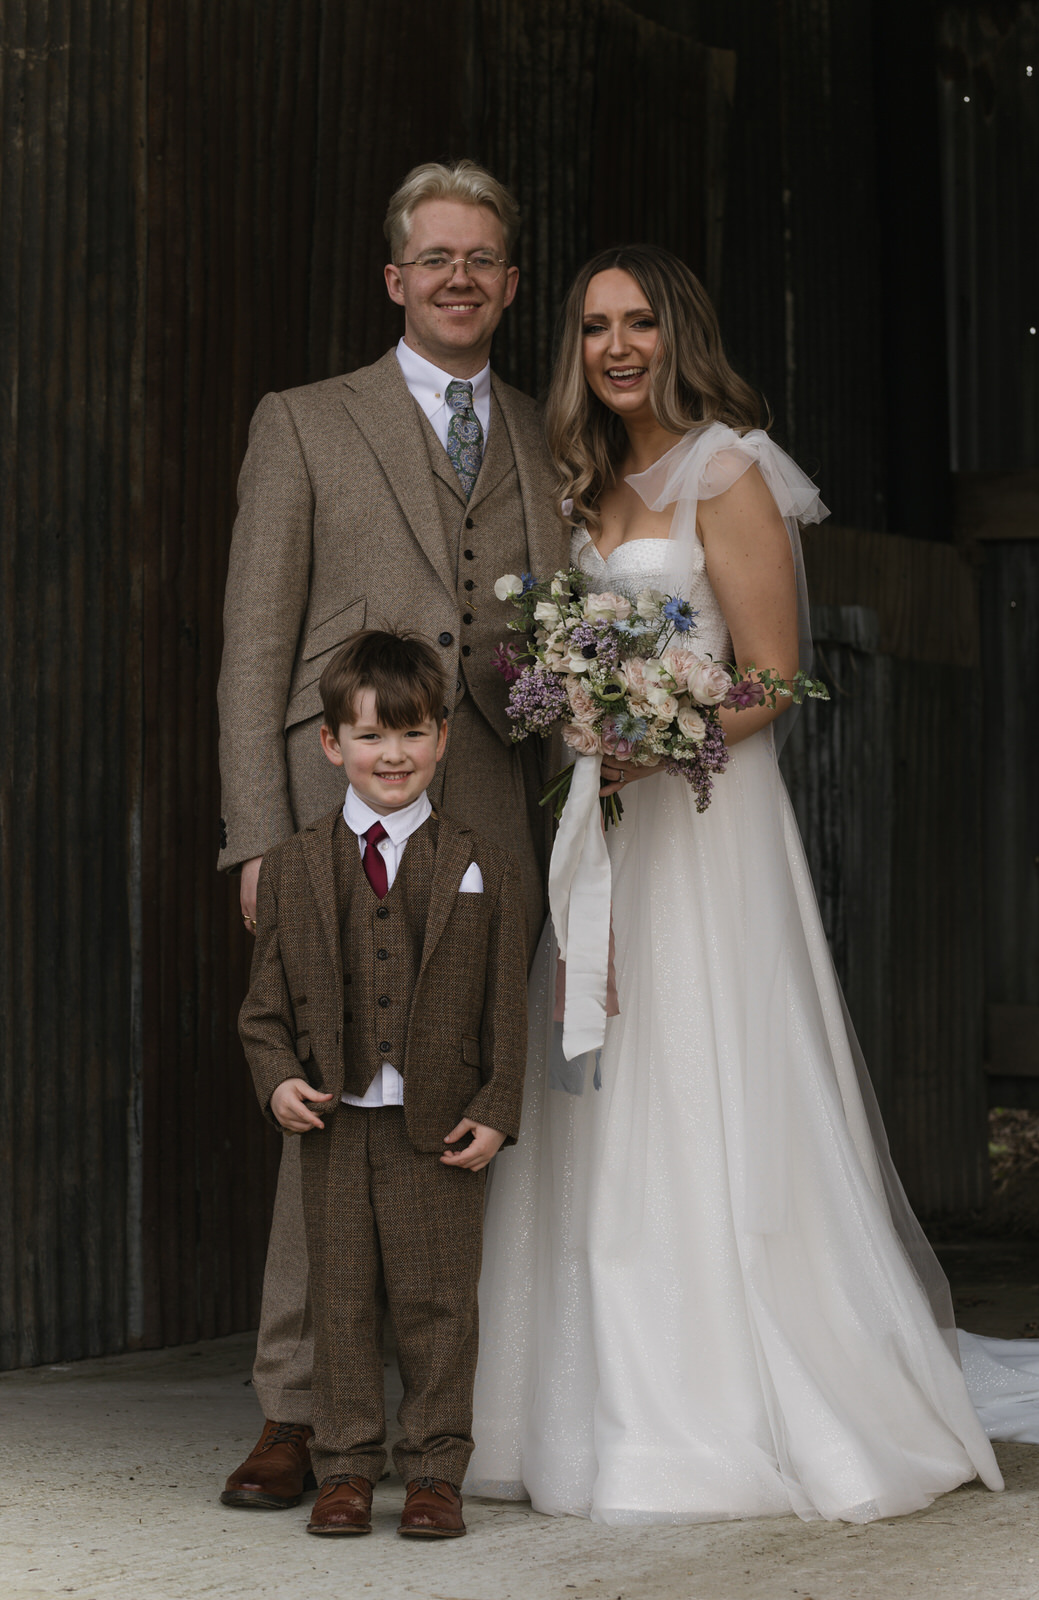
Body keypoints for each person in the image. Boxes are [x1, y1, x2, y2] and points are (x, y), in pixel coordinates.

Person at [466, 244, 1009, 1525]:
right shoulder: (569, 483)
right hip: (605, 831)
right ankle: (585, 1404)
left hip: (703, 825)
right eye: (593, 326)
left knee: (707, 1079)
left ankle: (721, 1406)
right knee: (602, 1090)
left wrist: (662, 740)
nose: (613, 346)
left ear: (676, 331)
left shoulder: (728, 470)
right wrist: (590, 735)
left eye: (638, 321)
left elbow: (769, 670)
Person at [217, 160, 565, 1510]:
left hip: (492, 824)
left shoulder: (544, 431)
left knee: (465, 1104)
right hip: (334, 824)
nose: (458, 277)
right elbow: (254, 655)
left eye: (481, 257)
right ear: (394, 278)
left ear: (509, 281)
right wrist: (258, 837)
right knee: (326, 1111)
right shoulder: (304, 422)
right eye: (434, 257)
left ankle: (444, 1431)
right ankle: (295, 1413)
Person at [240, 629, 528, 1537]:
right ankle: (345, 1470)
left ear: (442, 737)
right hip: (336, 1122)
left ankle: (436, 1471)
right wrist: (280, 1079)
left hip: (437, 1125)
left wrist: (495, 1108)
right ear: (332, 745)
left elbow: (504, 1006)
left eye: (409, 735)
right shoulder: (292, 867)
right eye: (368, 737)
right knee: (342, 1298)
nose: (390, 755)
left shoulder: (479, 860)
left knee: (438, 1302)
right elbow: (262, 1012)